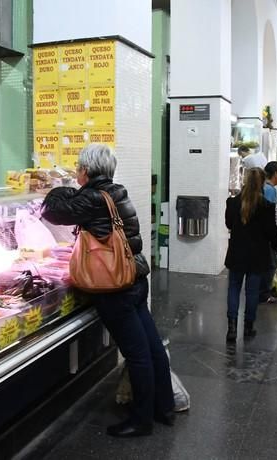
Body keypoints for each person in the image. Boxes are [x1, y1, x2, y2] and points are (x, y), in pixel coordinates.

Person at [41, 143, 174, 437]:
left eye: (78, 168)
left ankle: (141, 420)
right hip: (134, 279)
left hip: (115, 290)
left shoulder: (91, 198)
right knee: (152, 349)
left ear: (85, 171)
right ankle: (164, 407)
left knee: (137, 355)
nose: (76, 172)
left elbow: (51, 210)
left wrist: (58, 185)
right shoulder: (116, 191)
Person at [224, 168, 277, 341]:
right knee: (252, 291)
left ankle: (232, 328)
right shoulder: (266, 206)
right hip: (257, 255)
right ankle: (248, 327)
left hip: (237, 253)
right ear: (262, 182)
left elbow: (229, 224)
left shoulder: (232, 203)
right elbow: (271, 233)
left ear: (245, 180)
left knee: (234, 287)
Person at [260, 161, 277, 303]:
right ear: (275, 173)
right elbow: (267, 214)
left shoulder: (267, 188)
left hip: (265, 233)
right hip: (268, 233)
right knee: (271, 263)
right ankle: (264, 293)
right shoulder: (270, 190)